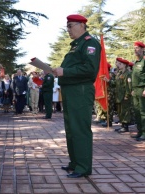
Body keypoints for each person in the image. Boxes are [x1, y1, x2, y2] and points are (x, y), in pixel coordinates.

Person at [53, 14, 101, 178]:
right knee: (71, 129)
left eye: (71, 25)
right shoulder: (77, 45)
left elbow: (89, 70)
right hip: (71, 90)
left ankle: (83, 166)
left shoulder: (90, 43)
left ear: (82, 25)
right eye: (67, 26)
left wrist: (64, 71)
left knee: (80, 129)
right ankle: (75, 162)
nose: (68, 30)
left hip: (80, 91)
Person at [113, 58, 132, 133]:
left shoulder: (128, 74)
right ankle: (122, 125)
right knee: (120, 111)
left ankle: (125, 126)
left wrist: (127, 95)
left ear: (124, 65)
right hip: (119, 95)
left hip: (124, 95)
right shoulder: (119, 73)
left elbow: (128, 85)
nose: (118, 65)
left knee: (125, 111)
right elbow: (116, 83)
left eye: (120, 64)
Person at [131, 41, 145, 141]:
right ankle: (140, 132)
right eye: (134, 48)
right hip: (135, 89)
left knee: (143, 112)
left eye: (137, 48)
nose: (135, 50)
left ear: (143, 49)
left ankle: (144, 133)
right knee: (136, 111)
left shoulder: (144, 61)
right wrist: (132, 89)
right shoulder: (136, 62)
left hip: (142, 89)